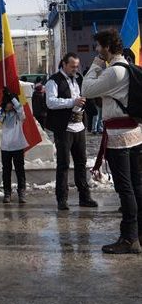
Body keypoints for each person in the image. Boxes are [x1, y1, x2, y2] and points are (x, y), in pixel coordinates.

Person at [83, 29, 142, 254]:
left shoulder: (114, 72)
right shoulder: (127, 67)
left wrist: (96, 64)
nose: (97, 50)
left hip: (119, 138)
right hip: (134, 134)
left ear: (107, 47)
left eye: (98, 46)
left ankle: (129, 238)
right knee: (136, 185)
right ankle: (138, 234)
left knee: (125, 189)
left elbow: (86, 89)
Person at [45, 52, 98, 211]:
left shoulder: (79, 79)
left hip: (79, 126)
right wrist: (72, 102)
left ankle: (85, 197)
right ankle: (62, 199)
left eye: (77, 66)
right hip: (64, 128)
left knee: (81, 162)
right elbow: (50, 102)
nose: (75, 69)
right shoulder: (54, 81)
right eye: (72, 66)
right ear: (64, 64)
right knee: (63, 164)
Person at [0, 88, 27, 204]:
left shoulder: (19, 115)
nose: (9, 105)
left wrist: (12, 97)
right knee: (6, 171)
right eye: (7, 103)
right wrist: (3, 105)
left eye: (10, 103)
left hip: (17, 145)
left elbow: (20, 108)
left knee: (20, 170)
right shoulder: (3, 114)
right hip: (6, 147)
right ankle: (7, 192)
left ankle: (21, 192)